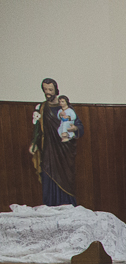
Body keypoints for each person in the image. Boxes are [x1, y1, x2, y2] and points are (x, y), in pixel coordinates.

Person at [29, 78, 76, 206]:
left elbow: (77, 126)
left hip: (63, 149)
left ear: (56, 90)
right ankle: (50, 205)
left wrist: (74, 129)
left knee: (65, 177)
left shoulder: (65, 107)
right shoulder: (42, 108)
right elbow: (38, 129)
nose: (48, 92)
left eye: (50, 89)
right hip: (48, 148)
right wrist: (34, 143)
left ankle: (66, 204)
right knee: (47, 175)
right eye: (45, 89)